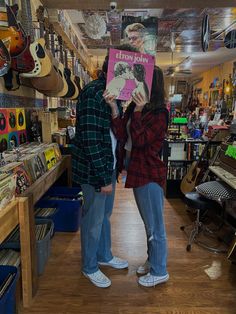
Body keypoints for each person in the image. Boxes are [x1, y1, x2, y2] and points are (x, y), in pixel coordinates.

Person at [72, 44, 138, 288]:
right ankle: (90, 266)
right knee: (93, 220)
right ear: (114, 67)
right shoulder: (93, 92)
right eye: (128, 70)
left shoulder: (114, 94)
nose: (131, 76)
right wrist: (103, 178)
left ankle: (104, 254)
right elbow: (90, 139)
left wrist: (115, 168)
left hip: (106, 167)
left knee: (104, 216)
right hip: (94, 171)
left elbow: (115, 134)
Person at [103, 66, 169, 287]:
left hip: (149, 172)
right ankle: (153, 260)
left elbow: (140, 140)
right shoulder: (135, 106)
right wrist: (114, 106)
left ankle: (160, 271)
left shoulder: (160, 113)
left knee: (155, 226)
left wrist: (139, 110)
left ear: (153, 84)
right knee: (148, 223)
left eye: (143, 78)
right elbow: (123, 133)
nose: (137, 81)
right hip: (136, 170)